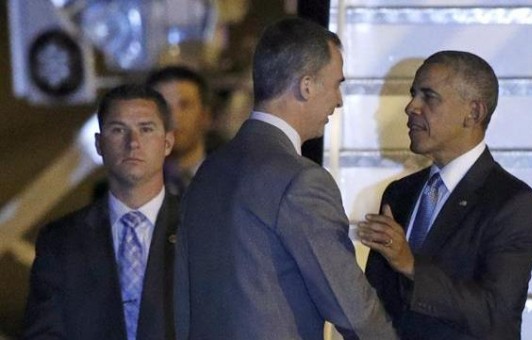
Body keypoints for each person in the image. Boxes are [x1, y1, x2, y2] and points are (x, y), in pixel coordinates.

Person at [174, 18, 396, 340]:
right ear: (306, 86)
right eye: (336, 84)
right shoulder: (301, 181)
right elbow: (354, 313)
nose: (339, 100)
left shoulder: (210, 171)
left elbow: (185, 299)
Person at [358, 51, 532, 339]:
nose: (411, 107)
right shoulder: (399, 193)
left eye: (428, 96)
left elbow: (496, 315)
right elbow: (374, 299)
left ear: (474, 113)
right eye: (413, 95)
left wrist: (411, 266)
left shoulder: (514, 203)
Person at [23, 84, 179, 340]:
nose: (133, 143)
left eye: (146, 129)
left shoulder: (204, 229)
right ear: (99, 143)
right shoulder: (60, 241)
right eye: (118, 130)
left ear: (167, 143)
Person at [146, 65, 212, 196]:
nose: (174, 117)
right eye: (163, 106)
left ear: (205, 115)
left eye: (185, 105)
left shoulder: (237, 181)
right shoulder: (124, 188)